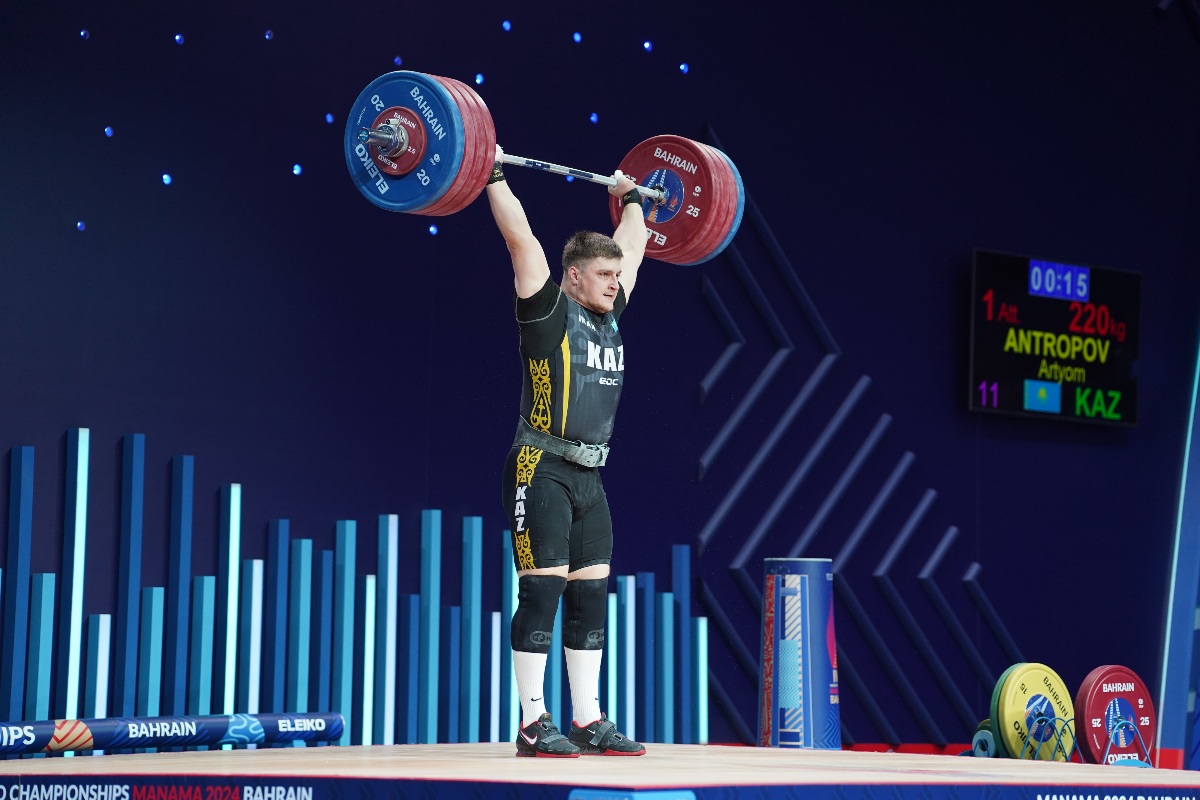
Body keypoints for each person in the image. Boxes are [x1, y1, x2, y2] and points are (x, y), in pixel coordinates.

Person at [487, 144, 649, 758]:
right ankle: (534, 723)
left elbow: (632, 246)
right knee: (544, 592)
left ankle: (588, 720)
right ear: (574, 275)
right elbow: (522, 241)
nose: (616, 282)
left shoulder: (610, 312)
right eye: (604, 275)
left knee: (589, 593)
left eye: (617, 276)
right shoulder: (548, 311)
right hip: (541, 467)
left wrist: (632, 198)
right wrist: (492, 172)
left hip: (591, 477)